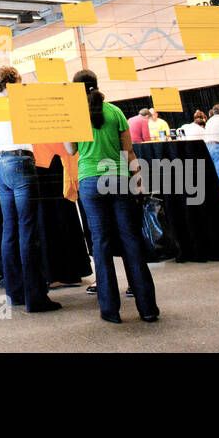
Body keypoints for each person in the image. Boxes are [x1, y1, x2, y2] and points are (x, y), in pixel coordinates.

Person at [68, 69, 159, 325]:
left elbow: (70, 149)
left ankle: (110, 310)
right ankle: (148, 308)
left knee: (101, 245)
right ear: (96, 85)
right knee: (131, 243)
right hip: (119, 180)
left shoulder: (75, 114)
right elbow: (128, 153)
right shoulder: (116, 112)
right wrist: (139, 184)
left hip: (90, 183)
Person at [0, 65, 60, 313]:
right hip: (21, 162)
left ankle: (15, 292)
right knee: (28, 230)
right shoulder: (22, 102)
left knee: (9, 230)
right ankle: (36, 297)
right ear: (15, 80)